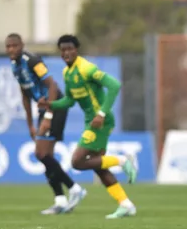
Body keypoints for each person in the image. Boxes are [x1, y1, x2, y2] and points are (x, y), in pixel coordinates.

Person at [38, 34, 138, 219]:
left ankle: (123, 161)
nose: (67, 53)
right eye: (63, 50)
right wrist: (51, 105)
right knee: (99, 168)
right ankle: (126, 204)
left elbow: (114, 85)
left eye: (70, 49)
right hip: (91, 121)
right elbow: (69, 100)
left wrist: (101, 113)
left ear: (77, 50)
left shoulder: (86, 68)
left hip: (101, 121)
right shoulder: (68, 73)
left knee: (77, 161)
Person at [6, 33, 86, 215]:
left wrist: (48, 116)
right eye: (8, 46)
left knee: (40, 153)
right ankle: (60, 200)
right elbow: (25, 94)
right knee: (46, 155)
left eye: (14, 46)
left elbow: (52, 84)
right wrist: (30, 124)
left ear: (21, 45)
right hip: (44, 109)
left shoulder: (32, 60)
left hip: (55, 104)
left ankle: (75, 189)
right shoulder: (14, 65)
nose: (11, 50)